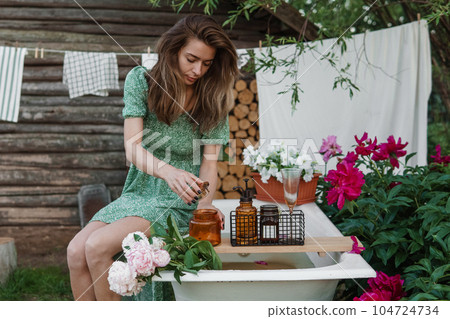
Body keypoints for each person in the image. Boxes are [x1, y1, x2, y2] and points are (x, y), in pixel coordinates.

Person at [67, 14, 238, 301]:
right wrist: (168, 172)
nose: (198, 70)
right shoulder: (142, 81)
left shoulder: (213, 97)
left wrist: (205, 207)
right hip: (140, 190)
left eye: (207, 64)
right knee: (75, 252)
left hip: (180, 200)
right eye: (191, 59)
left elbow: (210, 162)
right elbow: (132, 148)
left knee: (96, 247)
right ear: (173, 50)